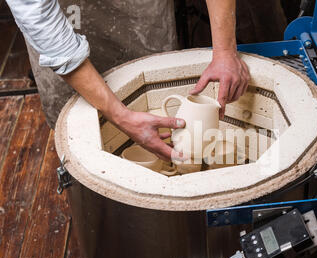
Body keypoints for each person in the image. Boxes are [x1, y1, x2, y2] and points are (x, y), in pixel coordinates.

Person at [6, 0, 250, 161]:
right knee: (81, 131)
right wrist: (120, 115)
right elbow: (39, 18)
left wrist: (225, 51)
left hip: (138, 11)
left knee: (153, 99)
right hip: (66, 14)